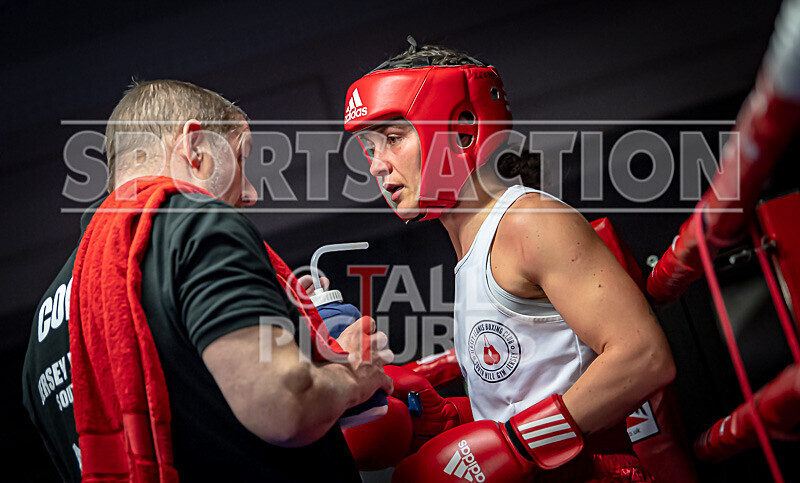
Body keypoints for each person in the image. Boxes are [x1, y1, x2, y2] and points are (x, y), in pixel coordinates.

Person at [22, 79, 393, 482]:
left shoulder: (44, 333)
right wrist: (351, 373)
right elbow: (284, 407)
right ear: (195, 148)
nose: (250, 194)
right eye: (241, 157)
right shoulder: (191, 222)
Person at [343, 42, 676, 481]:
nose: (377, 167)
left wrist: (519, 446)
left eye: (392, 138)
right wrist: (455, 421)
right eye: (369, 147)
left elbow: (645, 356)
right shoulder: (469, 245)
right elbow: (537, 388)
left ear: (458, 129)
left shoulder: (529, 222)